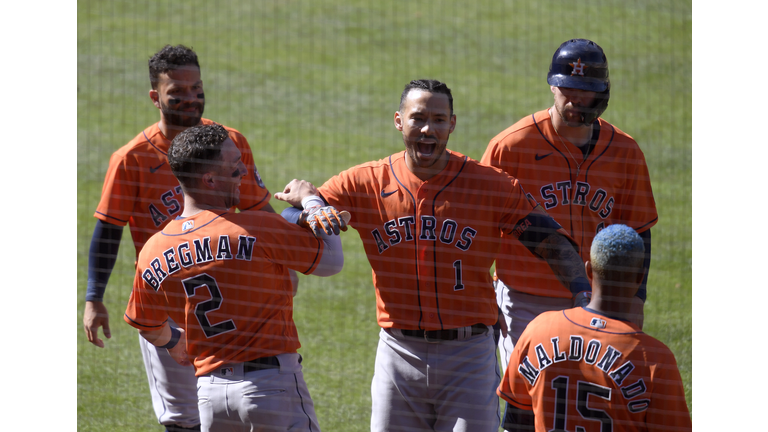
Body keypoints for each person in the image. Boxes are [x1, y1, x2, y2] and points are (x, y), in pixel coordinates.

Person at [274, 79, 592, 432]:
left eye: (439, 120)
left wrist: (583, 293)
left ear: (452, 124)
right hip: (398, 354)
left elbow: (549, 241)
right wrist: (308, 207)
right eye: (418, 118)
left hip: (468, 356)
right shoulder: (365, 183)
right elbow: (289, 221)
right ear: (399, 121)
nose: (428, 129)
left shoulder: (490, 185)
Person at [82, 44, 293, 431]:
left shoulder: (228, 142)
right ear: (155, 97)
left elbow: (257, 209)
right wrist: (94, 298)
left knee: (240, 406)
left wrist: (287, 257)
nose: (191, 98)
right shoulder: (131, 159)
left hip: (233, 302)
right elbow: (109, 229)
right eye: (177, 91)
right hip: (166, 313)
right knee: (183, 419)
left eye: (196, 88)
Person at [481, 38, 658, 430]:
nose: (575, 100)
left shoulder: (625, 152)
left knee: (594, 395)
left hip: (600, 300)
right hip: (524, 300)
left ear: (604, 93)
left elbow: (639, 232)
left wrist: (636, 300)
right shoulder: (510, 147)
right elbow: (479, 226)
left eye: (587, 91)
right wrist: (484, 294)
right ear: (551, 86)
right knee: (529, 397)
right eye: (568, 89)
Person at [124, 123, 347, 432]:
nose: (243, 171)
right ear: (210, 179)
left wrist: (176, 341)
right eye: (234, 167)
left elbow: (145, 323)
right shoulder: (256, 227)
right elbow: (332, 261)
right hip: (270, 390)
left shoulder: (153, 249)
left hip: (211, 398)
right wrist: (311, 202)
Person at [497, 224, 691, 432]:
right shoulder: (654, 359)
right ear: (640, 277)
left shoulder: (537, 331)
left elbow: (518, 423)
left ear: (588, 270)